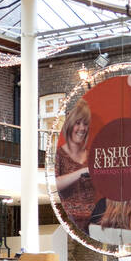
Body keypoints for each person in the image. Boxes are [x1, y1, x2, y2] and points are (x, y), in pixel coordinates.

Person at [54, 98, 97, 231]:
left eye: (85, 124)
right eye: (78, 123)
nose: (82, 128)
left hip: (93, 223)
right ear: (70, 125)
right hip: (69, 223)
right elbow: (54, 184)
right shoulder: (59, 155)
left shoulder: (92, 155)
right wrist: (81, 172)